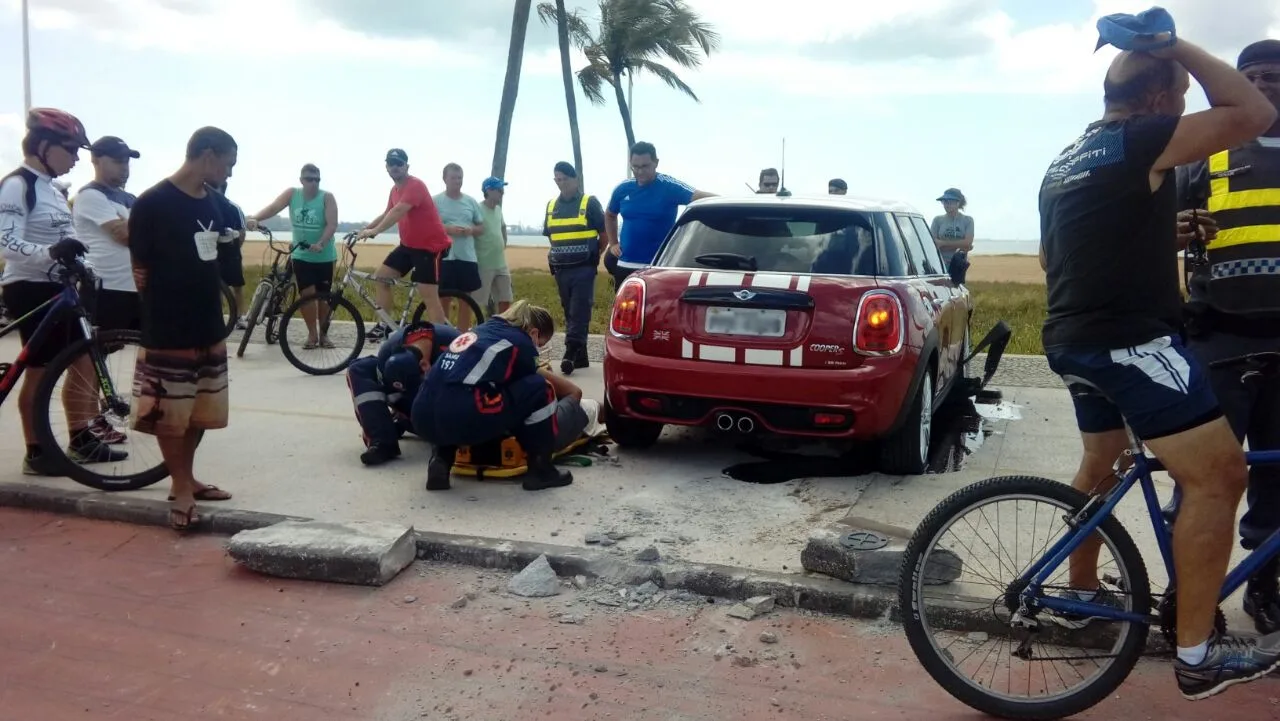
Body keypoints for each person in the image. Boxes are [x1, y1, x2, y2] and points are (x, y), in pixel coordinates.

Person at [1038, 36, 1278, 699]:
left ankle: (1080, 590)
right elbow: (1252, 111)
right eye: (1177, 98)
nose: (1184, 109)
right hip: (1130, 342)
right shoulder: (1143, 136)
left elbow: (1053, 259)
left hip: (1072, 335)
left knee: (1104, 462)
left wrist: (1151, 238)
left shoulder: (1069, 157)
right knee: (1221, 475)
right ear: (1155, 101)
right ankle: (1199, 654)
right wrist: (1180, 49)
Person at [1167, 38, 1280, 635]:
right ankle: (1190, 601)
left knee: (1276, 476)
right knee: (1204, 477)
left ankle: (1265, 585)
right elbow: (1159, 224)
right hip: (1216, 337)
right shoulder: (1202, 152)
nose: (1264, 86)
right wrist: (1176, 228)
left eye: (1274, 77)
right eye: (1253, 76)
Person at [129, 126, 243, 531]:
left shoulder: (216, 203)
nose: (228, 173)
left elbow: (223, 255)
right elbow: (140, 269)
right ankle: (179, 486)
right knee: (169, 412)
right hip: (168, 324)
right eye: (227, 164)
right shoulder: (152, 203)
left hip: (207, 321)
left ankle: (188, 477)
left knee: (198, 410)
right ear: (207, 156)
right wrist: (158, 313)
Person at [1, 108, 125, 474]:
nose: (75, 159)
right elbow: (6, 241)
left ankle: (81, 439)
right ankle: (37, 451)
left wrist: (81, 265)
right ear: (43, 146)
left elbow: (65, 237)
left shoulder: (52, 190)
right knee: (40, 372)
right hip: (30, 288)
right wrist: (49, 253)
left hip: (60, 288)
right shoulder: (17, 184)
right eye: (70, 150)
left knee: (83, 363)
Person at [411, 300, 574, 493]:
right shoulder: (520, 341)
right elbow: (527, 381)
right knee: (540, 389)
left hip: (421, 413)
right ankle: (541, 470)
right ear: (534, 332)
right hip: (462, 414)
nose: (537, 348)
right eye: (540, 344)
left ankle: (440, 459)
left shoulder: (479, 331)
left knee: (451, 397)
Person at [71, 136, 142, 446]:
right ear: (96, 160)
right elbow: (124, 234)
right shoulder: (89, 196)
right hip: (103, 287)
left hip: (132, 288)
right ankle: (86, 424)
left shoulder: (129, 199)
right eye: (116, 160)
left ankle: (101, 413)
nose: (124, 168)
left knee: (108, 355)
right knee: (89, 360)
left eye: (126, 161)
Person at [357, 149, 451, 338]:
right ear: (386, 167)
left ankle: (441, 341)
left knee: (428, 295)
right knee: (381, 277)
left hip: (430, 247)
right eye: (391, 163)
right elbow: (387, 213)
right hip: (409, 246)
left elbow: (399, 211)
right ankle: (385, 325)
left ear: (407, 166)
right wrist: (365, 230)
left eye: (399, 163)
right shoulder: (395, 190)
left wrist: (376, 231)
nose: (395, 167)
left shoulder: (415, 185)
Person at [245, 164, 340, 348]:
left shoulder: (327, 197)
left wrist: (320, 243)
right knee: (306, 295)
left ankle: (324, 335)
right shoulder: (292, 194)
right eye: (309, 179)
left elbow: (332, 224)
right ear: (301, 180)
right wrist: (255, 218)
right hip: (301, 254)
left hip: (324, 256)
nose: (313, 183)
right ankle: (312, 335)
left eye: (317, 179)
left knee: (323, 297)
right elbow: (274, 207)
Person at [346, 321, 459, 466]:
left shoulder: (455, 352)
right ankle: (382, 440)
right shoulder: (387, 352)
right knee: (358, 369)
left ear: (425, 366)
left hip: (441, 409)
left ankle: (410, 424)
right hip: (414, 399)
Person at [604, 141, 714, 289]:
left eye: (645, 166)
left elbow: (700, 196)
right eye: (635, 167)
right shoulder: (623, 189)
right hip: (625, 265)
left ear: (656, 163)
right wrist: (613, 243)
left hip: (658, 266)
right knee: (624, 311)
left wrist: (732, 202)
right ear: (630, 163)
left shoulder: (669, 186)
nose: (640, 171)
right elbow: (610, 214)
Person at [544, 161, 605, 375]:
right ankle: (581, 357)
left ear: (575, 179)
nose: (561, 184)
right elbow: (552, 236)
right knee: (570, 311)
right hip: (561, 268)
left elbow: (603, 235)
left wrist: (594, 257)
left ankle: (569, 354)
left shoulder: (590, 203)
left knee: (579, 310)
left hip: (583, 268)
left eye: (565, 179)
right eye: (557, 180)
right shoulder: (552, 206)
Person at [434, 163, 485, 331]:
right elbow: (429, 226)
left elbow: (481, 228)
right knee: (444, 298)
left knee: (466, 298)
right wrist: (447, 229)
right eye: (454, 178)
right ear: (444, 179)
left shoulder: (470, 201)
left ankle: (462, 336)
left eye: (460, 178)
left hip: (467, 256)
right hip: (445, 256)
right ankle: (444, 333)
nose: (457, 181)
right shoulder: (436, 201)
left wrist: (470, 230)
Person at [475, 176, 514, 316]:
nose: (502, 192)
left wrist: (504, 241)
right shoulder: (477, 209)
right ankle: (479, 329)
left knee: (505, 298)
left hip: (501, 264)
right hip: (483, 264)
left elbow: (503, 227)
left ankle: (502, 327)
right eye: (499, 189)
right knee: (479, 301)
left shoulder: (498, 210)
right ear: (488, 190)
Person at [211, 179, 247, 329]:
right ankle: (217, 317)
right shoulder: (207, 207)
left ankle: (240, 317)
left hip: (231, 252)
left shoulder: (233, 208)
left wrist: (234, 247)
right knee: (216, 287)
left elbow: (242, 232)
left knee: (237, 286)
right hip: (213, 252)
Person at [931, 188, 974, 269]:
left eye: (950, 201)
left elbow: (967, 242)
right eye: (944, 201)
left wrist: (942, 243)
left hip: (959, 264)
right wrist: (961, 246)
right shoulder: (937, 220)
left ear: (958, 202)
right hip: (940, 265)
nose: (947, 204)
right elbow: (933, 244)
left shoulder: (968, 220)